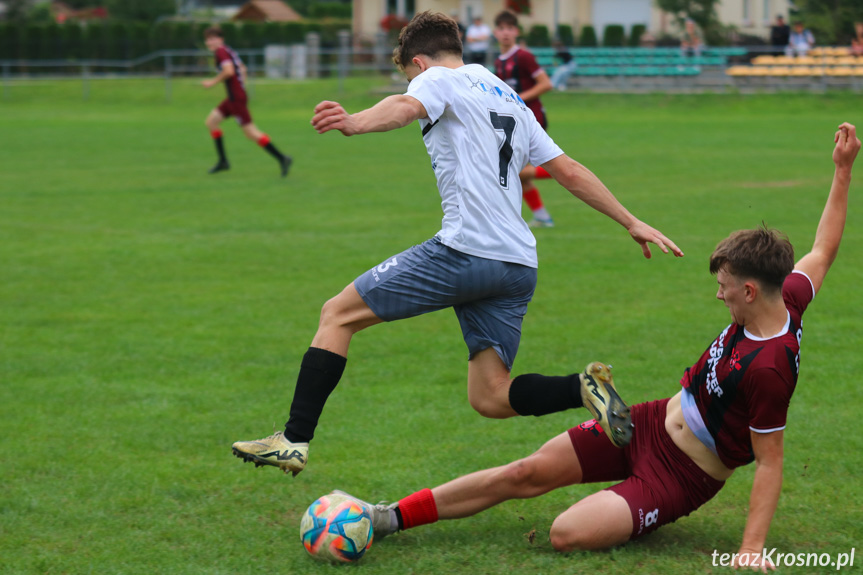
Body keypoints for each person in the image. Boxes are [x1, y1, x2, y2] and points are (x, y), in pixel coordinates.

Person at [340, 123, 860, 569]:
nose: (717, 293)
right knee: (525, 473)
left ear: (750, 290)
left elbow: (769, 462)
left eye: (724, 285)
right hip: (649, 423)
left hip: (682, 475)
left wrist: (750, 548)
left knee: (566, 533)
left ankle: (633, 506)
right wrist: (842, 169)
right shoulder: (785, 294)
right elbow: (824, 249)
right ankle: (389, 516)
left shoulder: (769, 368)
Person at [231, 11, 682, 477]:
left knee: (336, 314)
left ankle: (294, 438)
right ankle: (582, 388)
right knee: (489, 396)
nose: (413, 87)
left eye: (410, 77)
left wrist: (355, 122)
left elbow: (403, 108)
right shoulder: (507, 96)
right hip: (518, 266)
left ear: (419, 64)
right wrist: (631, 221)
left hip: (466, 251)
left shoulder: (436, 80)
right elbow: (566, 169)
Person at [493, 10, 555, 228]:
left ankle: (559, 171)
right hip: (514, 122)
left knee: (514, 170)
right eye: (501, 29)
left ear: (517, 32)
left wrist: (518, 99)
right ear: (495, 32)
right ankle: (543, 217)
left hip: (533, 118)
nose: (505, 33)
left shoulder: (524, 56)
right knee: (520, 174)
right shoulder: (499, 61)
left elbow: (546, 83)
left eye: (510, 28)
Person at [202, 27, 291, 176]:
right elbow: (242, 68)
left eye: (213, 38)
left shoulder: (221, 52)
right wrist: (241, 87)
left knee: (251, 133)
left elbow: (229, 71)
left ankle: (282, 158)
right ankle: (223, 162)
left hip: (236, 99)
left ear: (220, 39)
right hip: (233, 98)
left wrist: (212, 82)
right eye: (208, 39)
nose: (210, 42)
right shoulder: (228, 50)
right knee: (211, 122)